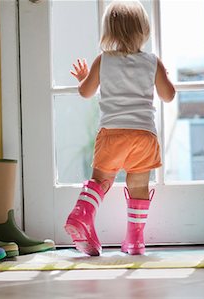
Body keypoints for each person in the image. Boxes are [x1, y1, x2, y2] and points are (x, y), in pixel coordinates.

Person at [64, 0, 175, 256]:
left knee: (100, 181)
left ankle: (82, 215)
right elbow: (168, 95)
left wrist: (83, 79)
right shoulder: (152, 61)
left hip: (113, 133)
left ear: (109, 33)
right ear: (144, 30)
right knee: (138, 187)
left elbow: (86, 92)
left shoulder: (103, 60)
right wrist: (164, 75)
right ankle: (135, 241)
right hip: (144, 135)